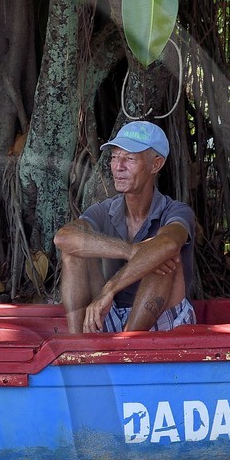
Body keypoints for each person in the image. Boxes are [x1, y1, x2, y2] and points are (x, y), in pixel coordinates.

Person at [54, 120, 196, 333]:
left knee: (163, 255)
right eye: (114, 157)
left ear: (156, 164)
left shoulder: (175, 210)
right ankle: (77, 347)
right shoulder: (104, 210)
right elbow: (63, 238)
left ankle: (128, 343)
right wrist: (132, 251)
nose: (118, 167)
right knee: (73, 252)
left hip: (164, 320)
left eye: (129, 158)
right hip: (108, 315)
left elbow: (168, 244)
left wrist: (109, 289)